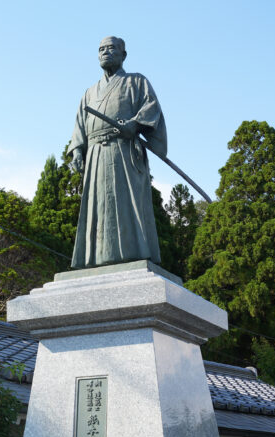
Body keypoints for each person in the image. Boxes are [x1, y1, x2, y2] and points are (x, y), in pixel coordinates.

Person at [69, 36, 167, 268]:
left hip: (122, 151)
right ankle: (95, 259)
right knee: (98, 207)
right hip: (95, 156)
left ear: (124, 55)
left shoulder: (136, 82)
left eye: (111, 48)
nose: (105, 52)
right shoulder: (90, 92)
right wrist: (77, 152)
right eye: (101, 49)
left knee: (126, 206)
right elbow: (79, 125)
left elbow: (151, 107)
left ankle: (134, 254)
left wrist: (134, 123)